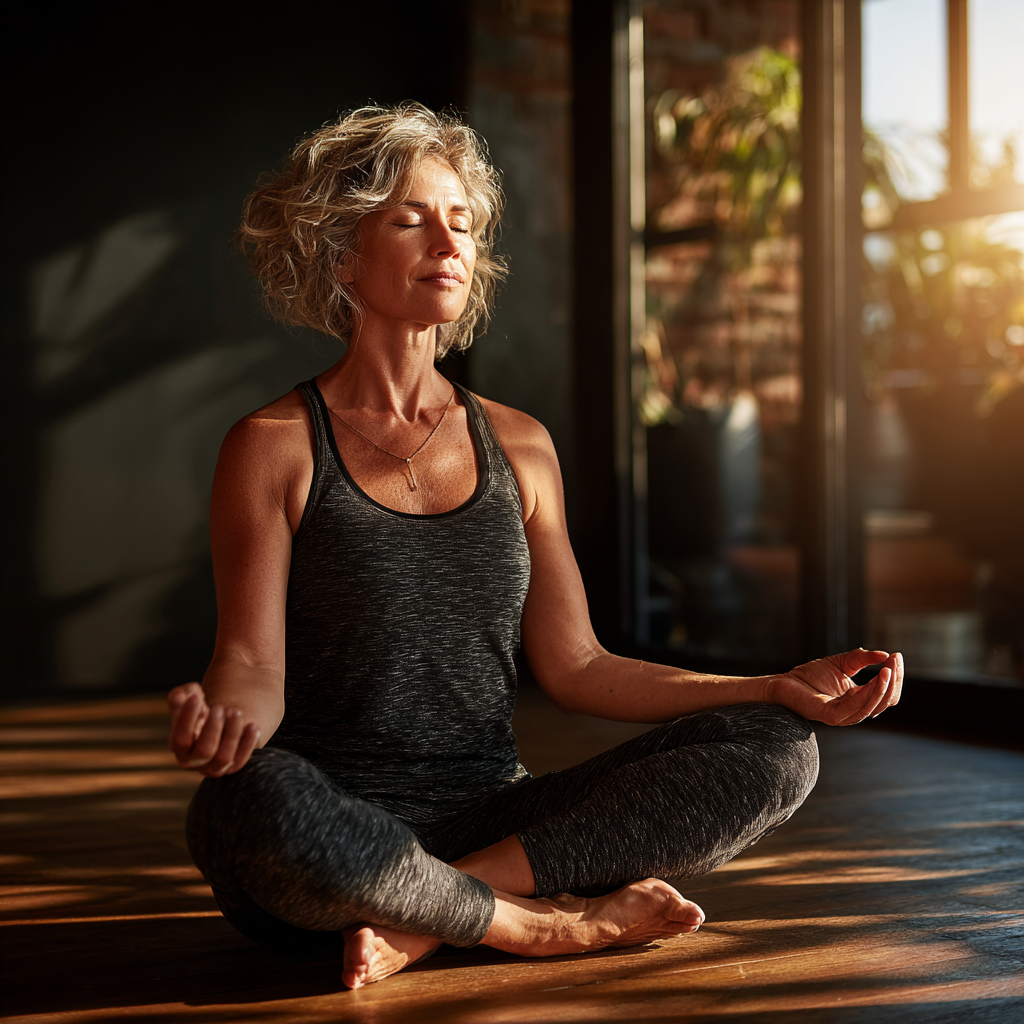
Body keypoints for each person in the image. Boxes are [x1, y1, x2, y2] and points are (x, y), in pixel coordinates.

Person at [168, 104, 903, 990]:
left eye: (462, 221)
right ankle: (544, 926)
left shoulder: (517, 444)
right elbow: (250, 661)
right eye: (409, 219)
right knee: (242, 805)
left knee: (780, 747)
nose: (446, 239)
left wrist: (772, 685)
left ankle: (445, 912)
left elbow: (580, 666)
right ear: (340, 255)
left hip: (500, 823)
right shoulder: (275, 443)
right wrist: (228, 724)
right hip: (339, 833)